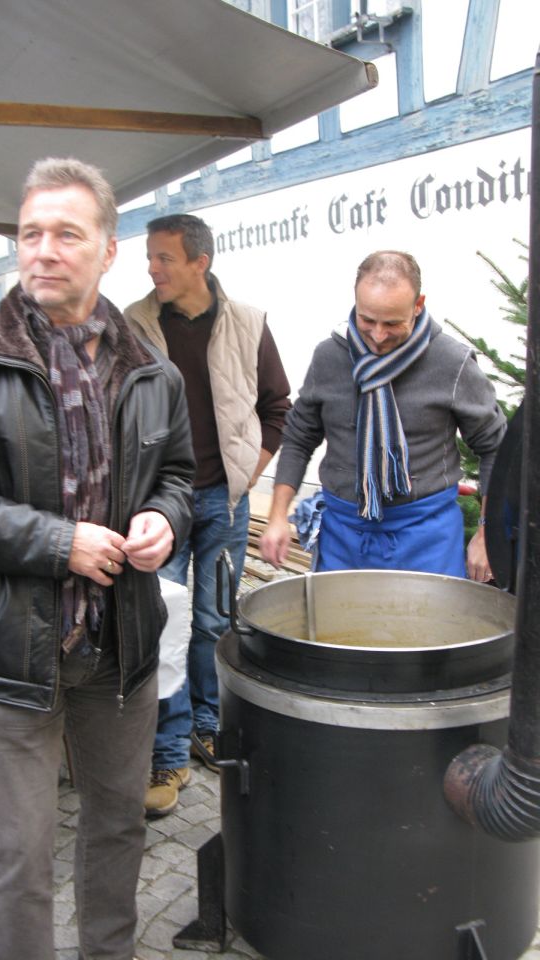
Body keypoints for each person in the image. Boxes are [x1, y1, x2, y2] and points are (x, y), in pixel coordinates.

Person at [0, 158, 195, 960]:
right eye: (31, 233)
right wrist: (60, 544)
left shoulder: (153, 371)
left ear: (109, 251)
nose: (44, 250)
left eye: (67, 233)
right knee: (18, 854)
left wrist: (163, 519)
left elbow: (179, 476)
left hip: (120, 646)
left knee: (118, 828)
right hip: (12, 649)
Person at [125, 214, 291, 817]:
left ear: (200, 262)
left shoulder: (248, 322)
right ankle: (166, 753)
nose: (152, 268)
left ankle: (208, 725)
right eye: (150, 257)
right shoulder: (132, 325)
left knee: (215, 620)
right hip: (158, 506)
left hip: (225, 499)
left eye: (164, 257)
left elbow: (278, 406)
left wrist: (249, 470)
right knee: (163, 625)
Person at [260, 250, 506, 581]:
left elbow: (496, 448)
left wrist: (487, 534)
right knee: (340, 618)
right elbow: (298, 437)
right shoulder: (329, 358)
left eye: (391, 323)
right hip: (343, 537)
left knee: (429, 619)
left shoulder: (452, 362)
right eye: (367, 320)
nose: (378, 335)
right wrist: (277, 515)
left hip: (427, 538)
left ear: (418, 305)